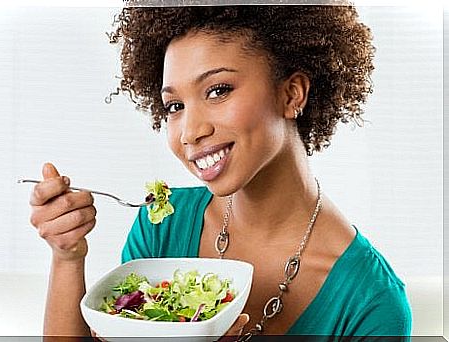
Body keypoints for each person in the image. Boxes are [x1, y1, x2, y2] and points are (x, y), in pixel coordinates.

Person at [28, 4, 412, 340]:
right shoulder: (162, 225)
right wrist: (67, 257)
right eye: (174, 106)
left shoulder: (371, 304)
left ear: (292, 93)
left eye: (218, 90)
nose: (191, 132)